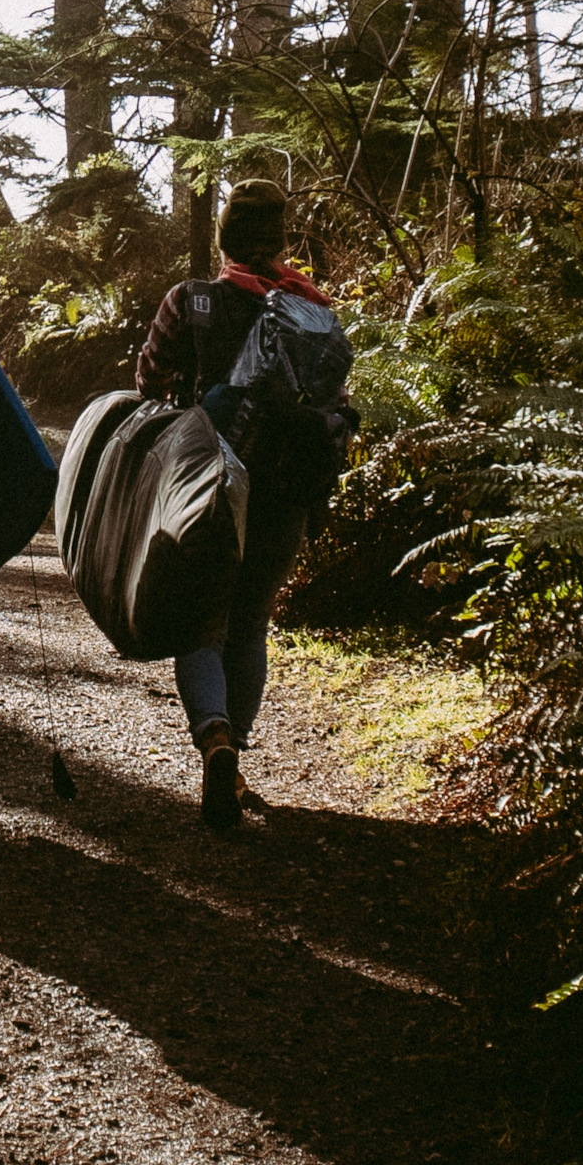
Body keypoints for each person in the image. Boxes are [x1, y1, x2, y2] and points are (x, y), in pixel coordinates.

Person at [132, 179, 357, 831]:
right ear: (280, 238)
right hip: (287, 488)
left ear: (225, 235)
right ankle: (239, 752)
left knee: (203, 619)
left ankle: (215, 739)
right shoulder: (316, 312)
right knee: (251, 622)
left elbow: (148, 382)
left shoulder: (191, 301)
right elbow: (335, 402)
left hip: (208, 485)